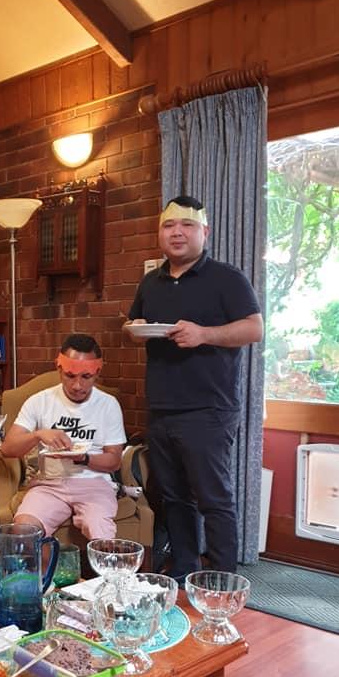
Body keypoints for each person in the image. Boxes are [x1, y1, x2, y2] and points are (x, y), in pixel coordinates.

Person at [127, 195, 263, 583]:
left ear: (205, 231)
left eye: (187, 225)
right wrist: (136, 330)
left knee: (213, 498)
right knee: (173, 496)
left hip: (209, 409)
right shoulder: (150, 282)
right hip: (161, 407)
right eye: (169, 226)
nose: (177, 233)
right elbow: (136, 323)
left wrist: (204, 334)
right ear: (160, 233)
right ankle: (185, 567)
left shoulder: (227, 278)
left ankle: (221, 578)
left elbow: (254, 329)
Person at [0, 334, 126, 541]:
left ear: (97, 372)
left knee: (100, 533)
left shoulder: (108, 404)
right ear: (59, 368)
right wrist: (38, 435)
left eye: (86, 377)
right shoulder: (39, 401)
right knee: (24, 530)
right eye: (70, 375)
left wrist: (83, 458)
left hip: (93, 483)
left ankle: (101, 564)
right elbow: (8, 448)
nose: (77, 385)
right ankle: (45, 564)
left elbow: (114, 461)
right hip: (49, 484)